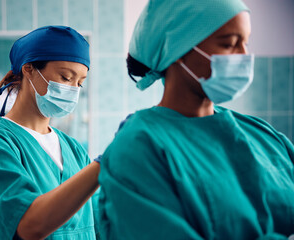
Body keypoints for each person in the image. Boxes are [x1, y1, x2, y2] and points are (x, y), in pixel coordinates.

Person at [98, 0, 294, 239]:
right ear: (177, 49)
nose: (244, 56)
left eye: (246, 42)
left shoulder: (263, 135)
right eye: (229, 44)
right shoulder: (139, 147)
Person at [0, 26, 102, 240]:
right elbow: (28, 227)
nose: (73, 89)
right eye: (65, 77)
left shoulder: (74, 150)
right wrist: (104, 165)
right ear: (29, 69)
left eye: (80, 83)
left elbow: (102, 226)